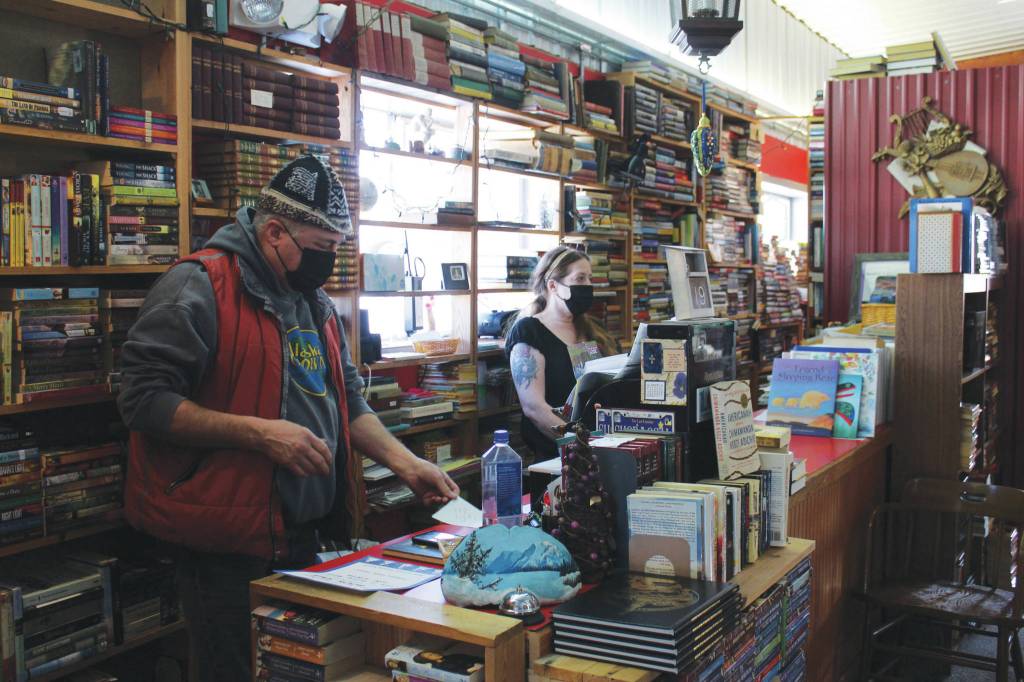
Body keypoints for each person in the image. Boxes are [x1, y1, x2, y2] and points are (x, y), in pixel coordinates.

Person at [117, 155, 459, 682]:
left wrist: (407, 464)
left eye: (336, 248)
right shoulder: (199, 285)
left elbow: (347, 400)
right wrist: (260, 434)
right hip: (224, 541)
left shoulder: (313, 301)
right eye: (321, 248)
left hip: (304, 533)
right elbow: (143, 400)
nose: (330, 262)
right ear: (275, 232)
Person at [504, 246, 618, 460]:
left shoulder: (593, 329)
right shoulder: (529, 332)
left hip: (604, 444)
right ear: (553, 285)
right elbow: (534, 407)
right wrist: (578, 443)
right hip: (559, 455)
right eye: (580, 278)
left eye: (590, 278)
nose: (588, 285)